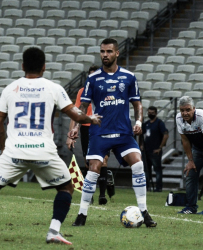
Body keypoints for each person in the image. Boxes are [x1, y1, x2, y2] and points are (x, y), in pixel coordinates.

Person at [0, 47, 102, 245]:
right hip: (44, 151)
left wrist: (3, 148)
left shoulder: (10, 88)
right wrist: (91, 118)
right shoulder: (54, 88)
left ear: (23, 66)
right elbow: (77, 115)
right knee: (66, 188)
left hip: (14, 151)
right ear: (44, 67)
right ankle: (53, 231)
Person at [68, 38, 157, 227]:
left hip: (124, 134)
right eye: (102, 52)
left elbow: (137, 103)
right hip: (99, 133)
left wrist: (139, 121)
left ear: (117, 53)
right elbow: (83, 106)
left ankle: (144, 211)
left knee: (138, 164)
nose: (105, 55)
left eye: (109, 51)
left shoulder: (129, 77)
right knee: (93, 170)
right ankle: (82, 214)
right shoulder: (92, 79)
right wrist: (76, 127)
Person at [66, 65, 113, 205]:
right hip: (87, 128)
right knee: (89, 163)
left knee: (103, 160)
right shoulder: (82, 92)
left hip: (103, 127)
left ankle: (102, 195)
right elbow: (76, 113)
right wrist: (71, 134)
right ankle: (90, 194)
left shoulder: (109, 90)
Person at [139, 106, 169, 192]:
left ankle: (158, 188)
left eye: (152, 113)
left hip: (155, 151)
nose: (150, 114)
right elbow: (141, 133)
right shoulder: (147, 123)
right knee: (146, 170)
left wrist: (160, 147)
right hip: (146, 151)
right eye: (149, 112)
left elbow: (165, 134)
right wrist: (141, 144)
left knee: (157, 170)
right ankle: (146, 186)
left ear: (155, 113)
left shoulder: (159, 123)